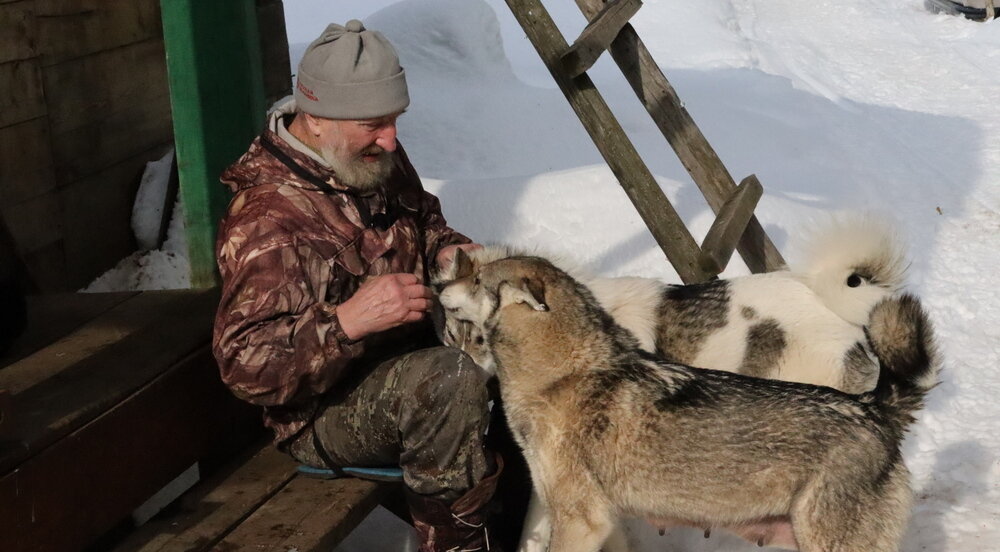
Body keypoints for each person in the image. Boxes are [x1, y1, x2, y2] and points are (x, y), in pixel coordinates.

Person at [212, 20, 503, 552]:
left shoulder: (368, 155)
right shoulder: (266, 218)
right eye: (375, 123)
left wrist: (447, 249)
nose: (390, 138)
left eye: (394, 121)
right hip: (321, 412)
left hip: (410, 363)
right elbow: (245, 366)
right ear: (317, 119)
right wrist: (346, 323)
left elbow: (425, 219)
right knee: (450, 381)